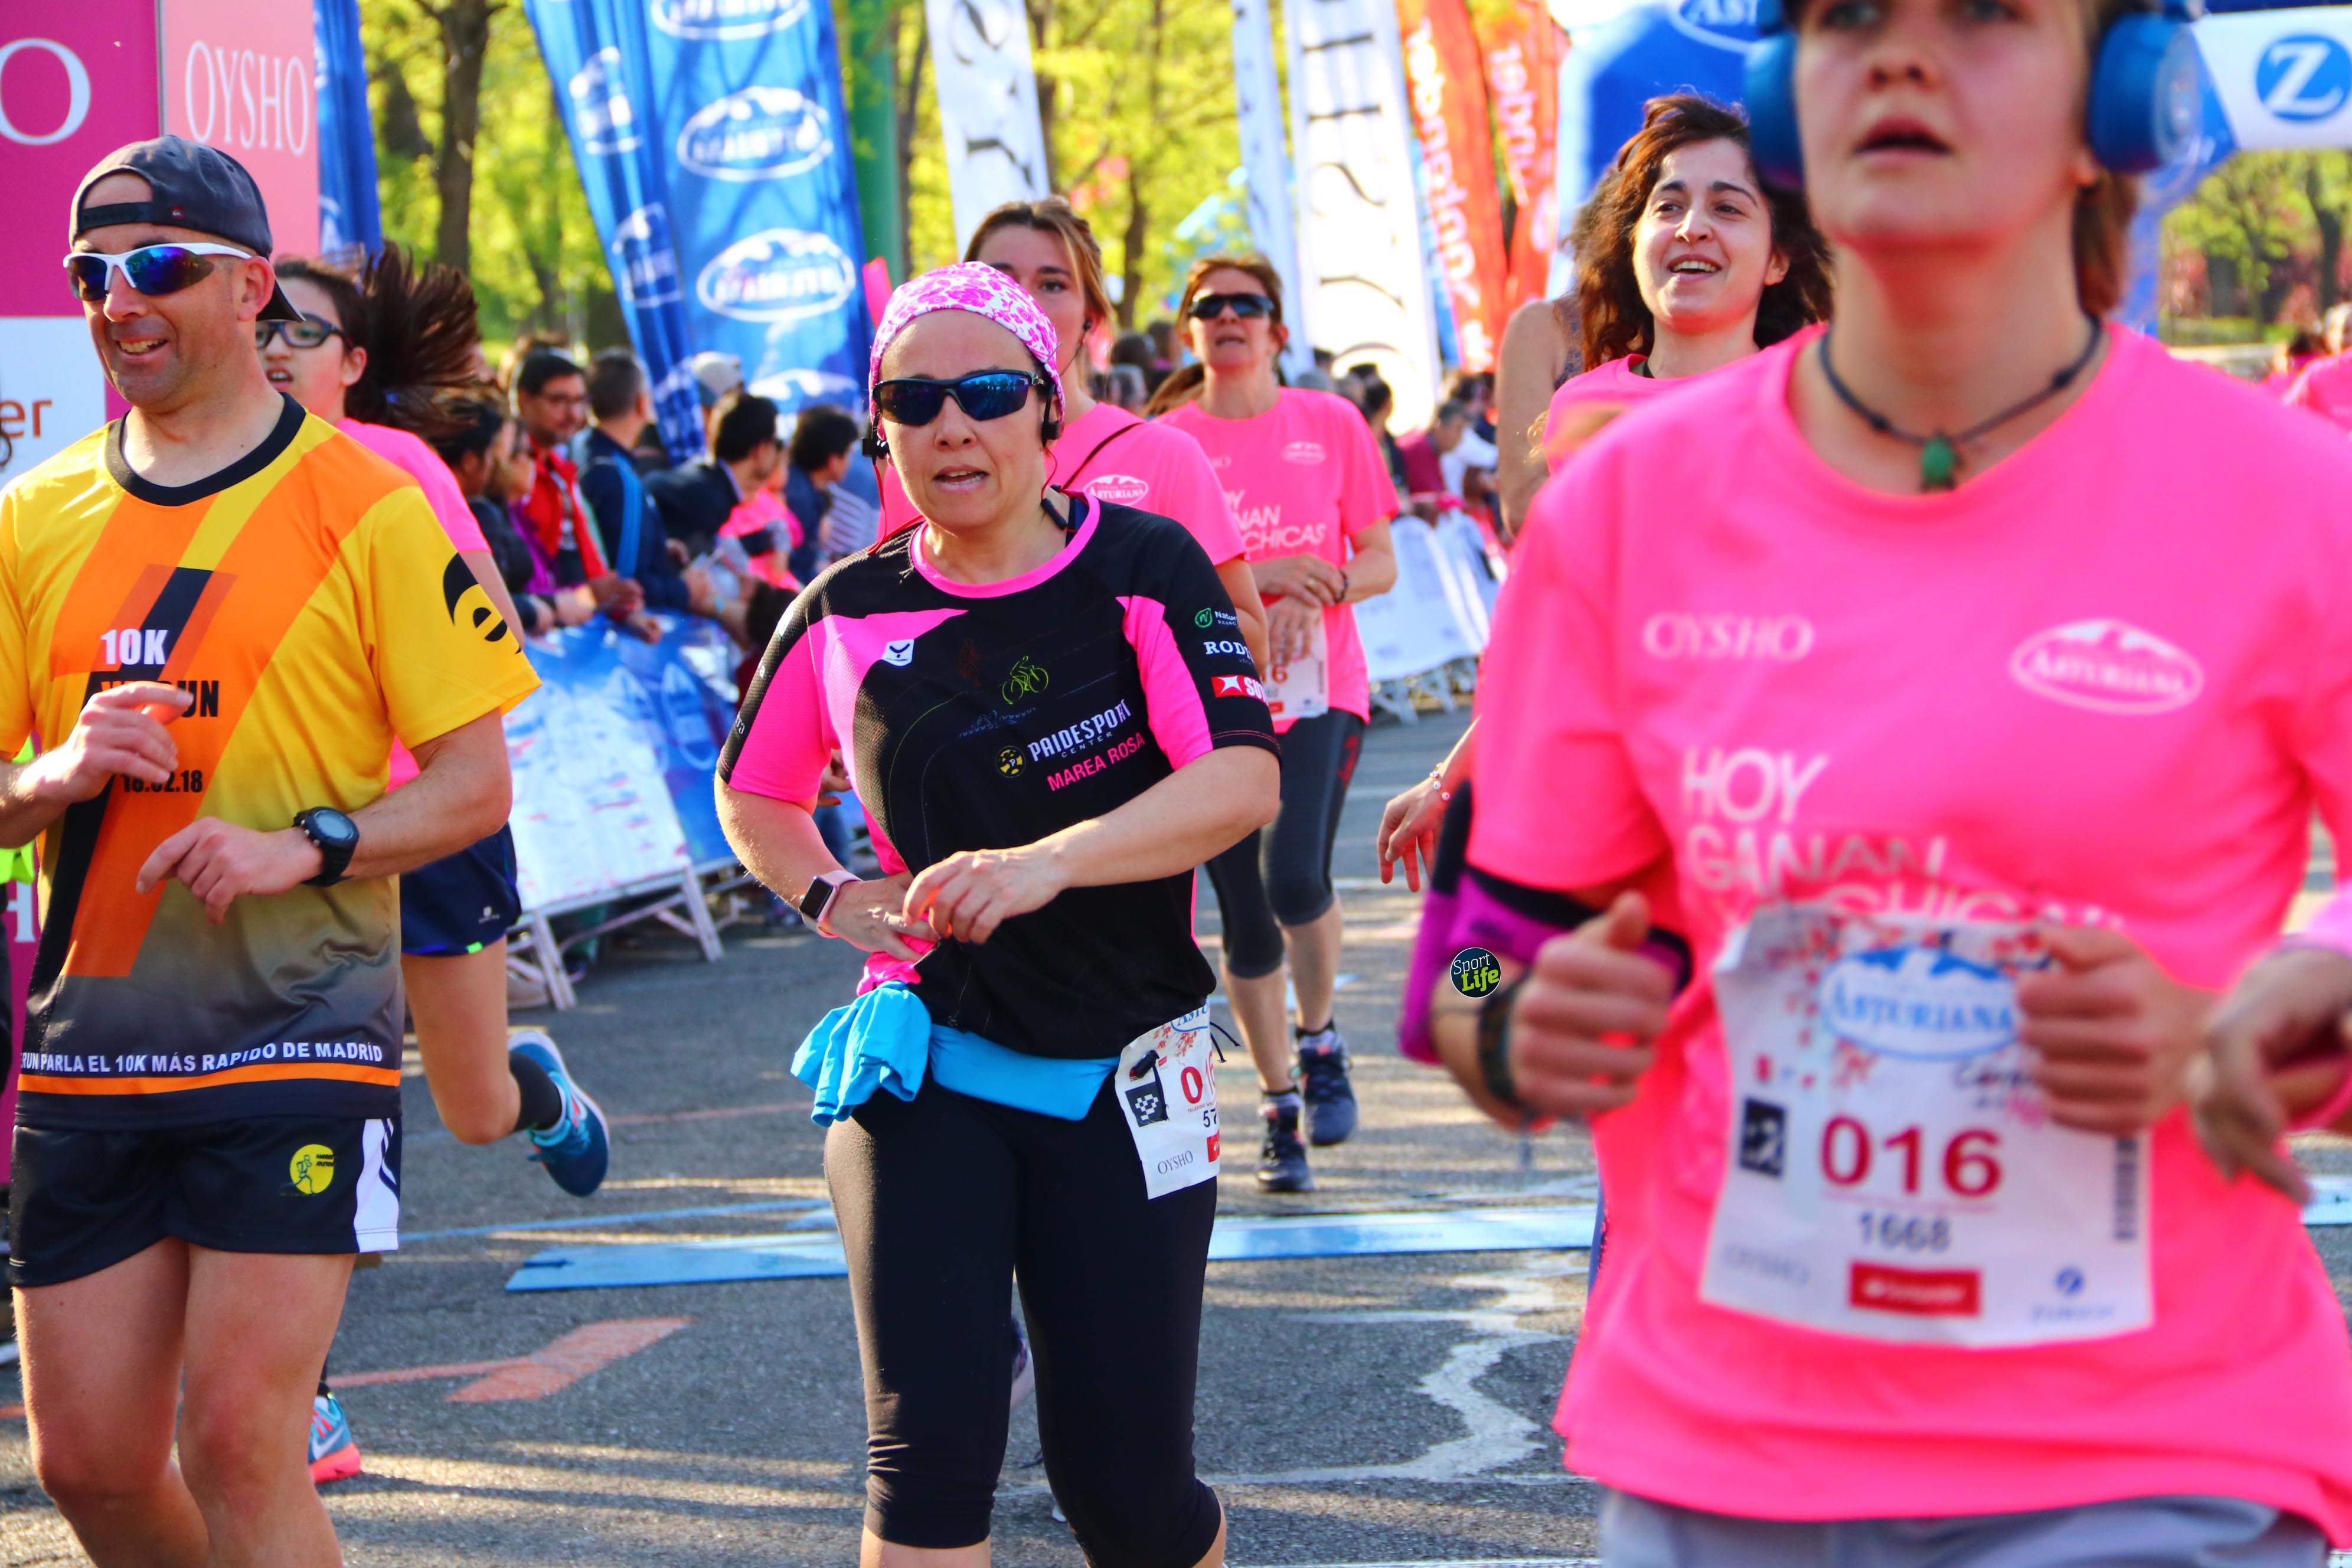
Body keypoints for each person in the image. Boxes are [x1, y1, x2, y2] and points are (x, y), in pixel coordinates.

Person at [1451, 0, 2352, 1556]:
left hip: (2151, 1459)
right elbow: (1482, 946)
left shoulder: (2288, 499)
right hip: (1718, 1463)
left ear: (2119, 97)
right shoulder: (1619, 513)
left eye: (1989, 16)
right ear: (1789, 98)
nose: (1903, 54)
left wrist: (2278, 1002)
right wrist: (1512, 1022)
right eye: (1851, 17)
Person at [4, 135, 539, 1566]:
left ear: (252, 293)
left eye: (160, 267)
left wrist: (312, 844)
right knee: (95, 1469)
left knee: (239, 1440)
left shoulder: (366, 502)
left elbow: (478, 782)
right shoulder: (32, 518)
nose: (120, 302)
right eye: (91, 275)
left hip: (297, 1035)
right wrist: (48, 776)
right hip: (89, 1048)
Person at [717, 262, 1278, 1568]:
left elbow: (1243, 776)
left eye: (985, 393)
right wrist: (830, 895)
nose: (951, 427)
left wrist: (1050, 860)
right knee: (923, 1477)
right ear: (883, 429)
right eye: (914, 401)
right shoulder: (846, 608)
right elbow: (753, 791)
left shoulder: (1142, 562)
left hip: (1123, 1069)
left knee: (1130, 1498)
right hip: (929, 1066)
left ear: (1048, 406)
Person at [267, 251, 613, 1481]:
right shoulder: (203, 477)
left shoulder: (398, 470)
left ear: (352, 364)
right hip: (285, 843)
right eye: (257, 325)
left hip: (428, 818)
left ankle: (538, 1086)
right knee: (308, 1106)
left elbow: (497, 643)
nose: (272, 348)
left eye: (300, 332)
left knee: (469, 1109)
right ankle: (300, 1393)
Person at [1379, 92, 1832, 893]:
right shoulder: (1583, 409)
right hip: (1597, 811)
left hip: (1773, 818)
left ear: (1776, 258)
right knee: (1470, 994)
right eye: (1669, 205)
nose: (1692, 226)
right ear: (1634, 243)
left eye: (1729, 208)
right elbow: (1567, 638)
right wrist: (1448, 781)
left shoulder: (1820, 402)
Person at [1155, 256, 1400, 1192]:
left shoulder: (1330, 424)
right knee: (1246, 921)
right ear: (1190, 333)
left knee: (1295, 876)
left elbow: (1379, 559)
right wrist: (1267, 571)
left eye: (1245, 306)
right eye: (1207, 308)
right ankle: (1279, 1104)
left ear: (1276, 330)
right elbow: (1160, 578)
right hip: (1212, 701)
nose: (1227, 319)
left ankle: (1322, 1035)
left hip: (1322, 688)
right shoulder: (1167, 442)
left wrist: (1325, 575)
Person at [877, 197, 1272, 672]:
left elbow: (1247, 637)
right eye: (1000, 281)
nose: (1020, 302)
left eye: (1052, 284)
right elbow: (889, 627)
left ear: (1092, 319)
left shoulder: (1165, 455)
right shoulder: (926, 455)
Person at [512, 350, 654, 639]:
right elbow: (526, 581)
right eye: (559, 401)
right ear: (524, 399)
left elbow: (591, 569)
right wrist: (596, 596)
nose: (573, 415)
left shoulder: (561, 471)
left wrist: (623, 608)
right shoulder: (513, 473)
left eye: (579, 402)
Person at [437, 400, 603, 636]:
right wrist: (546, 607)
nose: (531, 462)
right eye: (520, 453)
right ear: (471, 462)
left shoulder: (511, 513)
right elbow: (483, 606)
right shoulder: (479, 514)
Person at [577, 348, 718, 619]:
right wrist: (684, 589)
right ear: (643, 404)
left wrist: (656, 545)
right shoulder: (616, 477)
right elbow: (626, 586)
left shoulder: (584, 451)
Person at [646, 389, 787, 565]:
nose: (777, 452)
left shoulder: (708, 480)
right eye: (776, 443)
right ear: (761, 449)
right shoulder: (710, 499)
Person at [783, 403, 861, 582]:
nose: (850, 462)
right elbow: (796, 568)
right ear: (833, 460)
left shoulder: (802, 487)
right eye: (848, 454)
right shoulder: (799, 501)